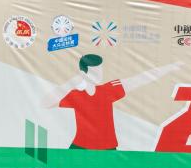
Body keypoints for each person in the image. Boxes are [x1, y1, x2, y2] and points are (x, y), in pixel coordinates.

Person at [42, 54, 181, 150]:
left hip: (107, 148)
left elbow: (141, 78)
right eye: (95, 72)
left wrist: (169, 67)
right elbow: (45, 103)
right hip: (80, 147)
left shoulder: (108, 90)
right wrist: (73, 81)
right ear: (83, 73)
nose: (100, 75)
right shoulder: (75, 95)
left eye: (100, 71)